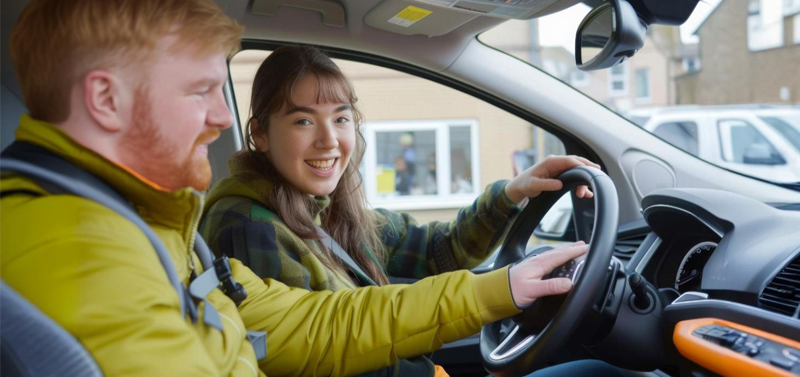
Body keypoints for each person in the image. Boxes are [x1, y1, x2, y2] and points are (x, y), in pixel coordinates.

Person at [0, 0, 598, 377]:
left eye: (340, 118)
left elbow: (316, 323)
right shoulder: (79, 250)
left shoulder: (158, 231)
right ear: (106, 100)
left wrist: (503, 288)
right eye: (199, 91)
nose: (217, 120)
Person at [200, 46, 621, 377]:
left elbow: (440, 249)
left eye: (341, 118)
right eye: (303, 122)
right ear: (261, 133)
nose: (329, 141)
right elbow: (320, 351)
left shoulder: (326, 209)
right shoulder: (248, 227)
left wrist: (514, 192)